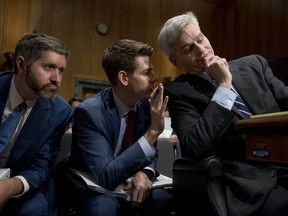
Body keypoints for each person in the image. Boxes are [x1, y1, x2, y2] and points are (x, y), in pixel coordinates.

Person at [158, 11, 288, 216]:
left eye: (200, 39)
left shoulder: (254, 65)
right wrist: (224, 87)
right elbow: (195, 146)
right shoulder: (179, 92)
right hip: (252, 184)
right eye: (188, 49)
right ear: (176, 61)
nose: (201, 50)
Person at [56, 39, 171, 216]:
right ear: (124, 77)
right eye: (147, 72)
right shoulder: (90, 113)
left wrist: (145, 173)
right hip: (92, 183)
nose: (154, 78)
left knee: (161, 197)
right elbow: (106, 177)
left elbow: (151, 154)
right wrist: (153, 132)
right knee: (105, 208)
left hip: (126, 180)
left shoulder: (146, 108)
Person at [0, 33, 73, 215]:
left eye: (61, 70)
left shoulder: (60, 112)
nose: (57, 78)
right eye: (49, 67)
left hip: (19, 180)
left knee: (36, 209)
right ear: (22, 64)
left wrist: (9, 187)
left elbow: (41, 165)